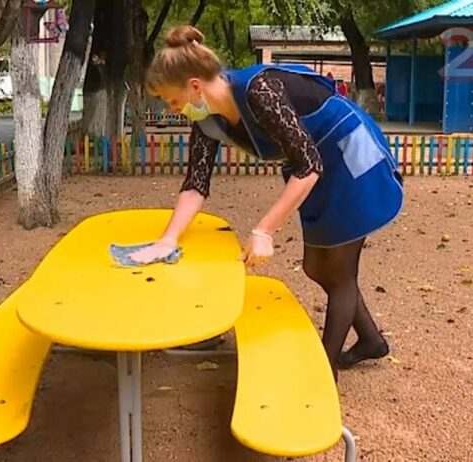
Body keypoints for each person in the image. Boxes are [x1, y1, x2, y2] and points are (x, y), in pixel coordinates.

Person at [130, 26, 403, 380]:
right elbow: (196, 184)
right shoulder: (208, 121)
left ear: (194, 86)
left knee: (338, 273)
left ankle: (324, 371)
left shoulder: (260, 91)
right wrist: (168, 239)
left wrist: (264, 231)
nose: (174, 109)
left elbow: (308, 165)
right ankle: (371, 340)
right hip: (316, 165)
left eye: (172, 100)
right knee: (317, 267)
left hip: (349, 155)